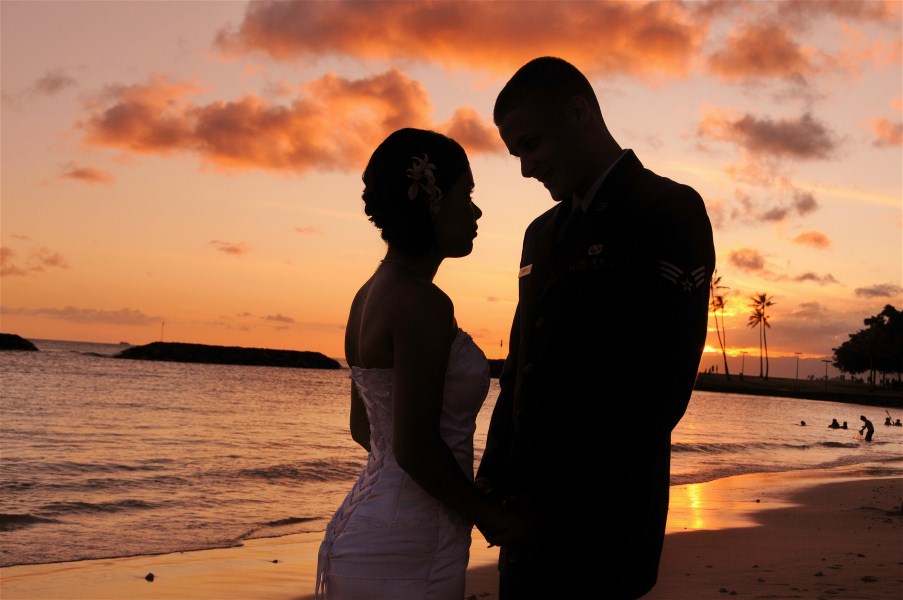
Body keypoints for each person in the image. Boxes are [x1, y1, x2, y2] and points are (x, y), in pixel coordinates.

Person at [476, 57, 715, 599]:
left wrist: (552, 506)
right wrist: (494, 477)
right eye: (516, 153)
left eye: (531, 145)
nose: (525, 168)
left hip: (603, 525)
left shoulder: (666, 208)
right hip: (524, 528)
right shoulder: (540, 233)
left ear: (579, 113)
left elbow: (662, 389)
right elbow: (520, 367)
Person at [315, 128, 510, 599]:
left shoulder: (367, 296)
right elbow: (416, 448)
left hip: (368, 528)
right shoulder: (423, 302)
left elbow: (367, 430)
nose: (477, 210)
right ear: (435, 200)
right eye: (468, 193)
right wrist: (495, 517)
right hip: (412, 544)